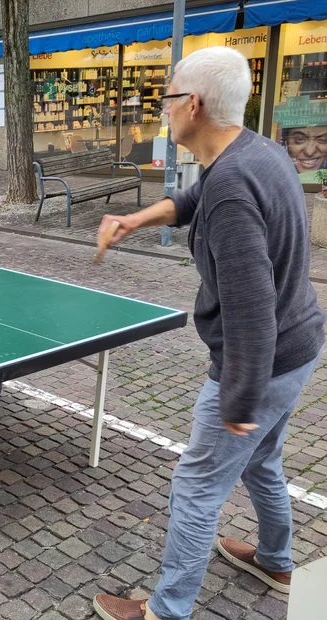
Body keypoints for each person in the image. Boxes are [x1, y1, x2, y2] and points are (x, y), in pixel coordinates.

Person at [92, 46, 325, 620]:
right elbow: (196, 196)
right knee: (262, 460)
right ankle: (275, 558)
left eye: (167, 97)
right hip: (301, 345)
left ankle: (165, 611)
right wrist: (135, 219)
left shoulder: (233, 189)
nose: (163, 109)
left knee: (197, 486)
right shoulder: (257, 151)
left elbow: (250, 310)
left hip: (263, 364)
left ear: (191, 105)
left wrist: (239, 399)